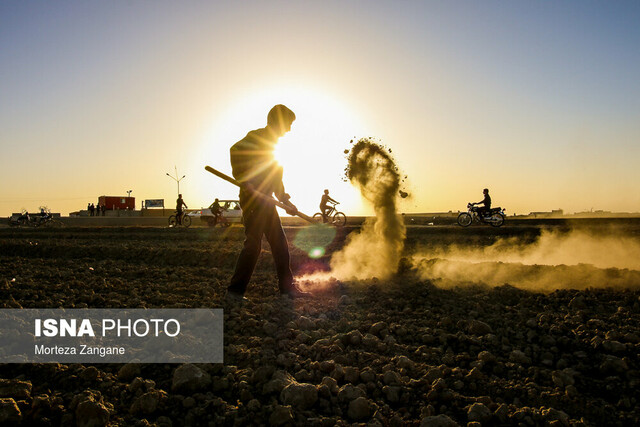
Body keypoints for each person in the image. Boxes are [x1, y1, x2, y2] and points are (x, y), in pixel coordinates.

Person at [226, 104, 309, 302]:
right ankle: (234, 293)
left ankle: (287, 289)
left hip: (267, 202)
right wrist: (244, 179)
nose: (289, 129)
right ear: (279, 122)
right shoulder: (256, 137)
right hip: (253, 200)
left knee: (280, 244)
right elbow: (234, 150)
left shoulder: (274, 147)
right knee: (253, 245)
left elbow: (275, 178)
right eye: (288, 124)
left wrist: (285, 199)